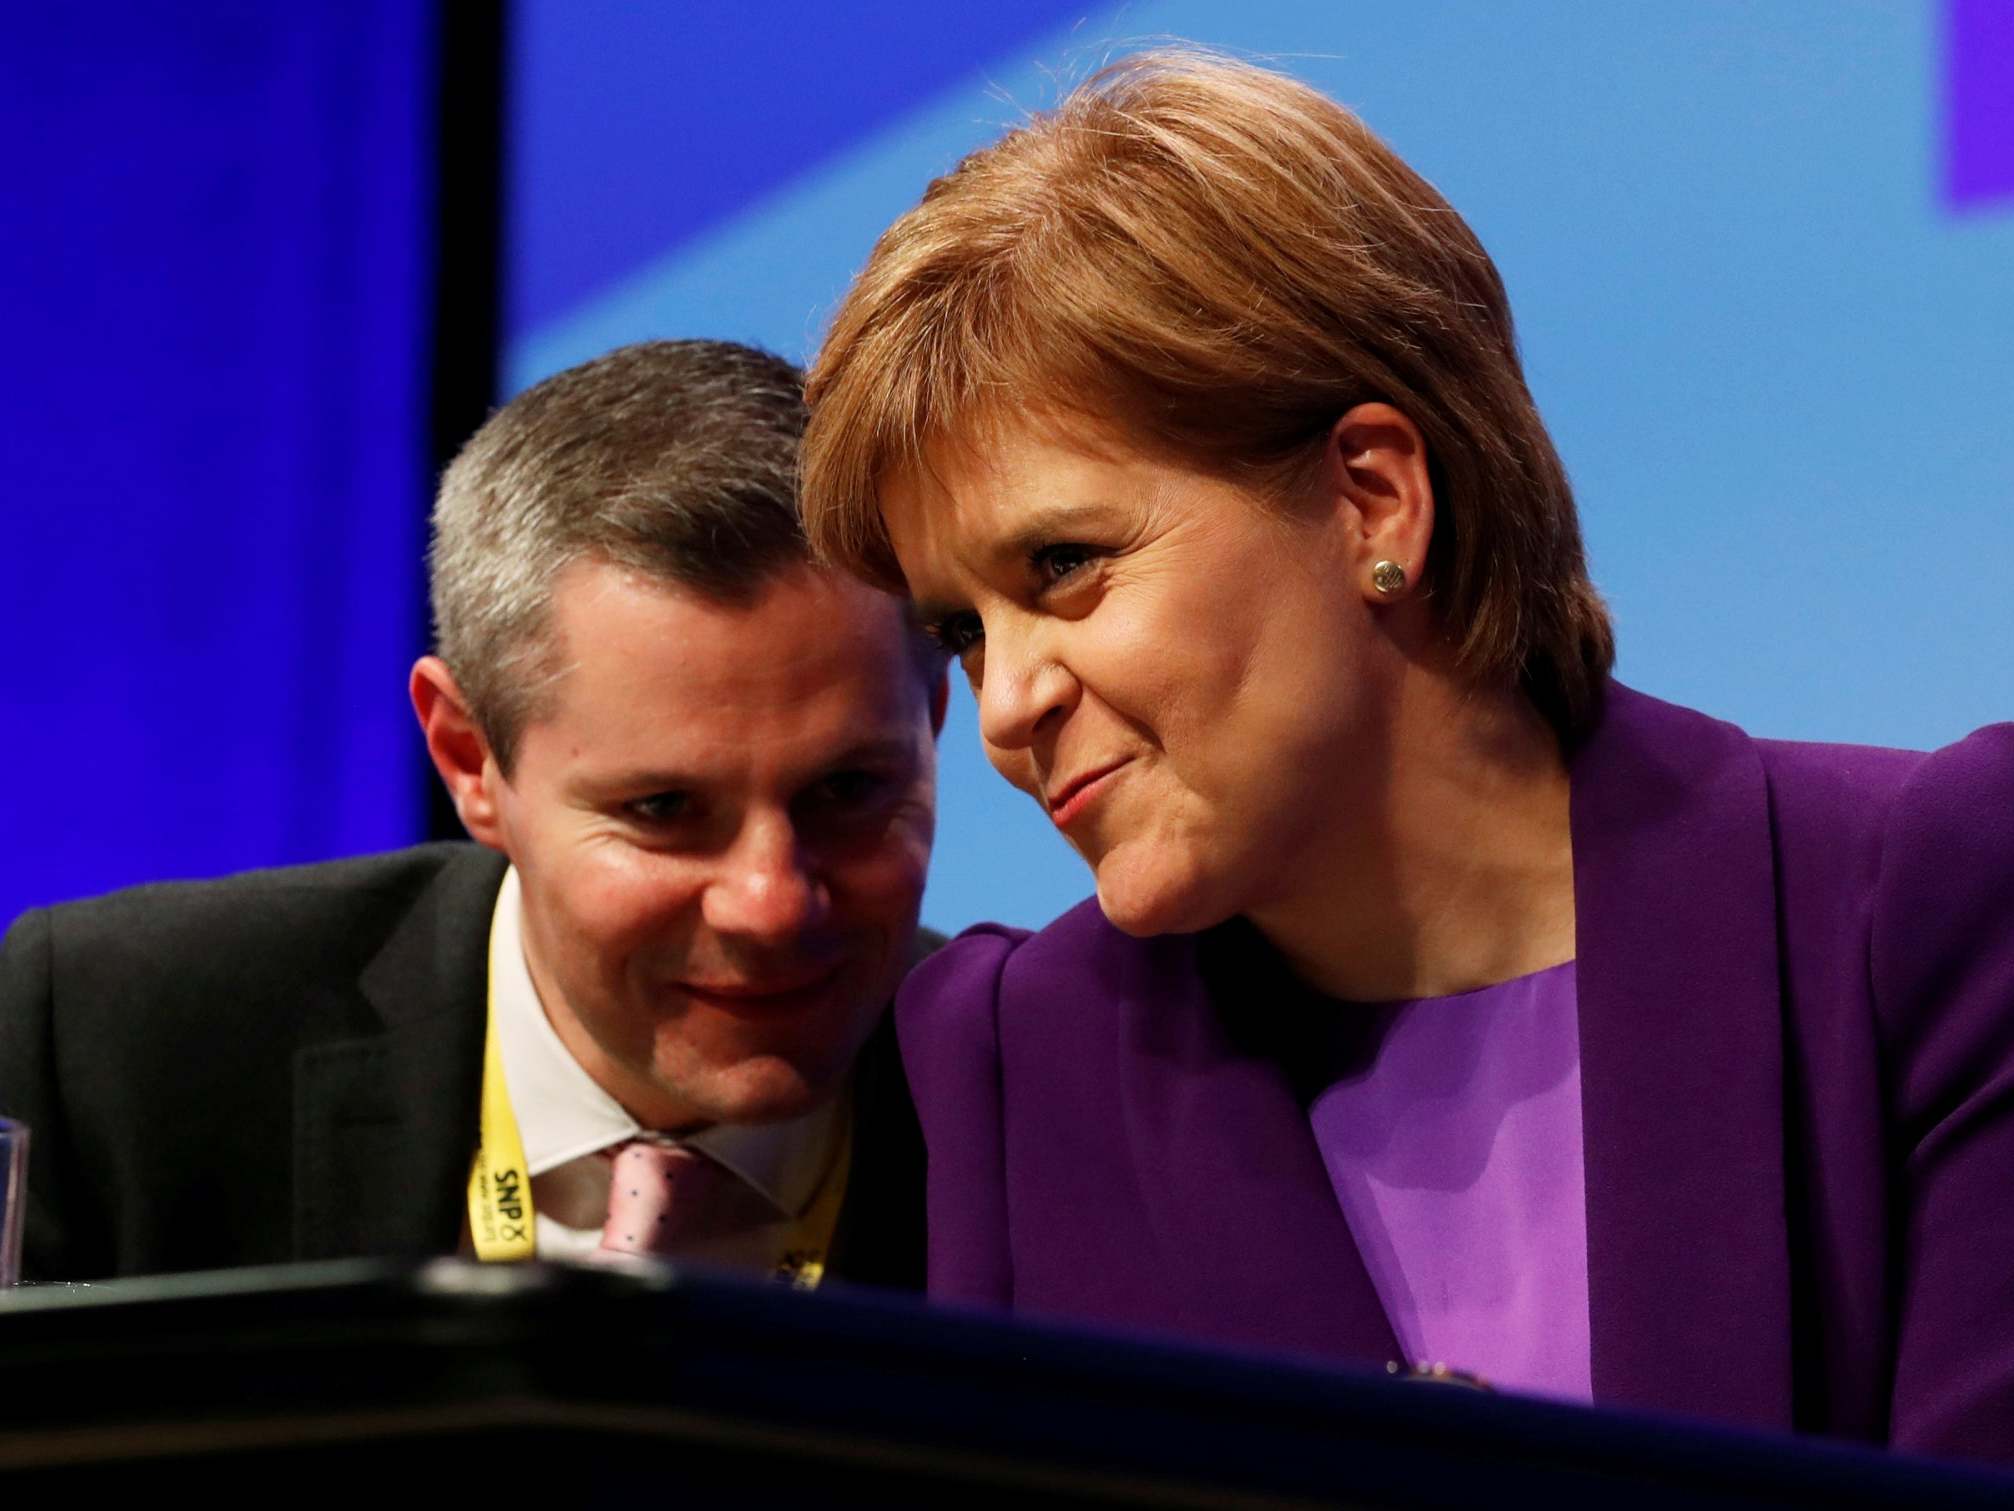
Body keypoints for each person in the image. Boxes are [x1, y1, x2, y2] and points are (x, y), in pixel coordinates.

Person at [797, 52, 2014, 1462]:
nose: (1005, 699)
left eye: (1064, 564)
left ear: (1373, 496)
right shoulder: (1010, 1053)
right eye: (959, 627)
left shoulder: (1911, 905)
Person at [0, 339, 945, 1289]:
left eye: (847, 790)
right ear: (469, 759)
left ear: (934, 722)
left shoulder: (1052, 1088)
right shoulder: (115, 1052)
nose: (771, 902)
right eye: (664, 809)